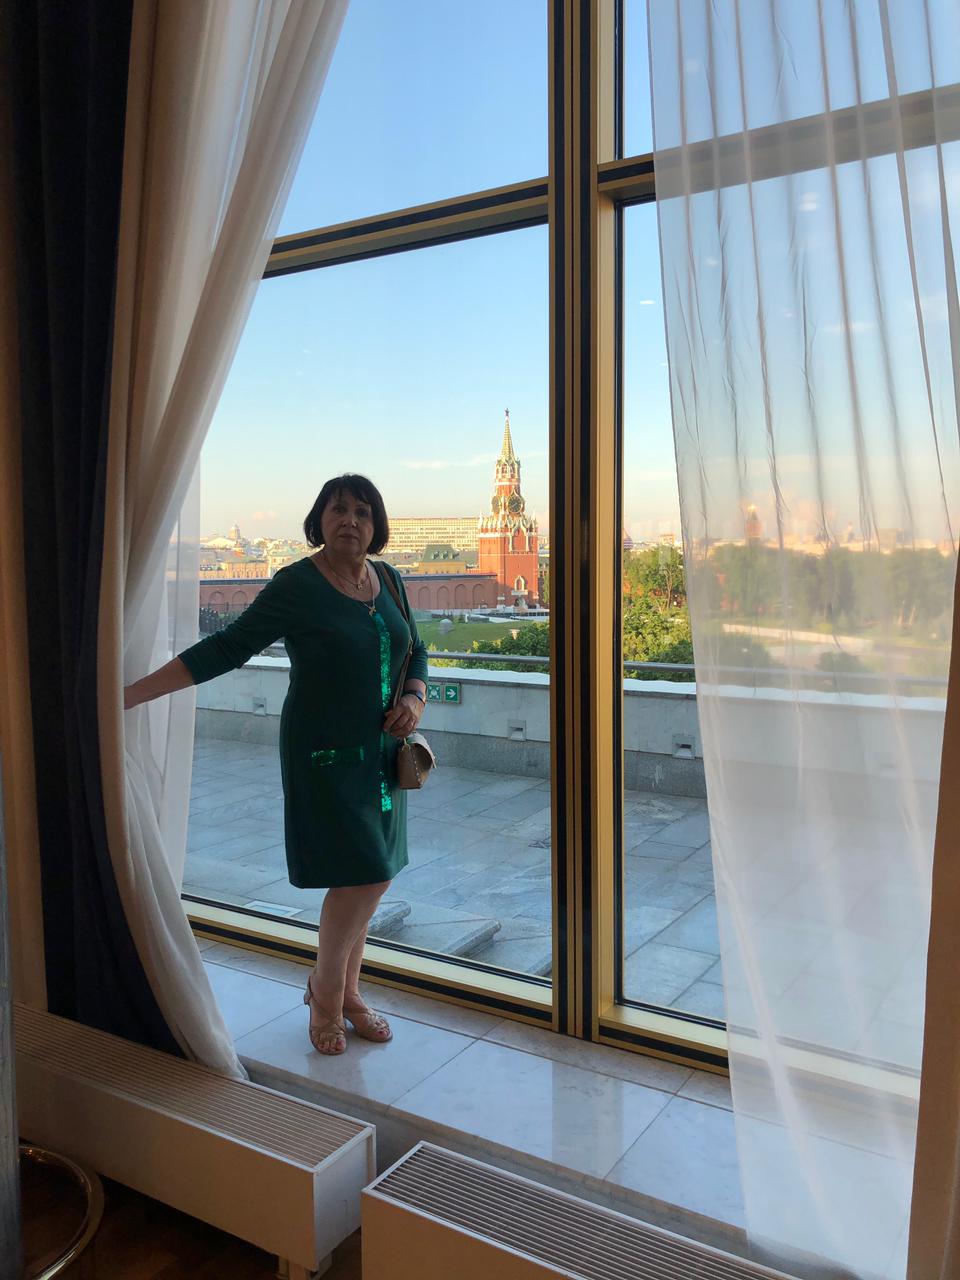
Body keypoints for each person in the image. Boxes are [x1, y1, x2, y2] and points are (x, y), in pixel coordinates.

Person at [124, 475, 428, 1056]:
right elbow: (227, 646)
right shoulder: (297, 584)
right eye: (338, 510)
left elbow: (416, 648)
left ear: (377, 526)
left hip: (384, 757)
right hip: (325, 756)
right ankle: (328, 993)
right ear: (319, 520)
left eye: (363, 512)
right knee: (362, 873)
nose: (351, 520)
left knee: (374, 872)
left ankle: (347, 991)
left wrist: (414, 696)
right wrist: (132, 694)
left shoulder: (387, 578)